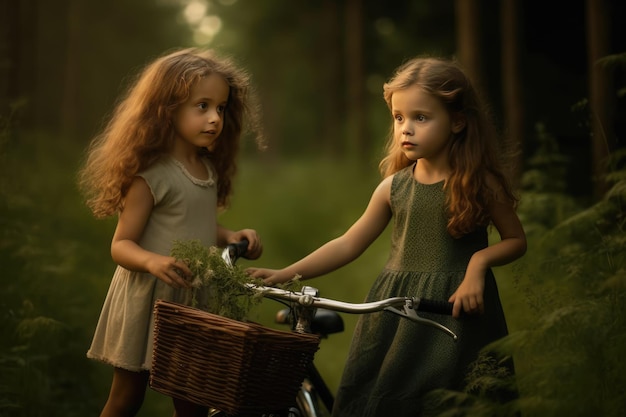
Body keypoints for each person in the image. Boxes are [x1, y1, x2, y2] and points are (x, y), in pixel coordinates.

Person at [247, 56, 527, 417]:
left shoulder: (479, 185)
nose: (405, 129)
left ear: (457, 122)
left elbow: (516, 240)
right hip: (395, 312)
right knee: (384, 399)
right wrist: (285, 274)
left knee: (451, 401)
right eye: (399, 118)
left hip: (454, 312)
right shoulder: (393, 187)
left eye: (420, 118)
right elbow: (348, 243)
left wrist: (478, 262)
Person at [79, 47, 264, 417]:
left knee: (194, 398)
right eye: (202, 106)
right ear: (167, 109)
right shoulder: (152, 175)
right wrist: (153, 262)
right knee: (127, 395)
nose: (214, 118)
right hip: (151, 297)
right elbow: (121, 245)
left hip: (194, 297)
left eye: (221, 108)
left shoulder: (205, 168)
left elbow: (193, 226)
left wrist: (228, 235)